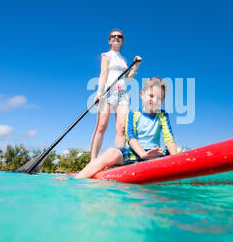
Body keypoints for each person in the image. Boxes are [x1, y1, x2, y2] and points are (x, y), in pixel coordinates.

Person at [74, 77, 178, 179]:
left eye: (159, 98)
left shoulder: (162, 115)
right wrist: (143, 154)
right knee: (111, 152)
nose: (154, 100)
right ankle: (77, 179)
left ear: (163, 100)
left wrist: (176, 159)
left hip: (155, 154)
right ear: (142, 95)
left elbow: (169, 138)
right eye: (151, 96)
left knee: (182, 150)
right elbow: (130, 136)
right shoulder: (133, 113)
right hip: (136, 154)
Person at [89, 29, 142, 161]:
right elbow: (104, 73)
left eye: (119, 36)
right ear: (109, 40)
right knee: (101, 127)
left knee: (122, 129)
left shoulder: (124, 60)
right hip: (107, 94)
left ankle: (117, 160)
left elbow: (127, 78)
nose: (116, 38)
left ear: (122, 40)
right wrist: (98, 93)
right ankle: (93, 160)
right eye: (113, 36)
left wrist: (136, 66)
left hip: (122, 95)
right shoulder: (106, 55)